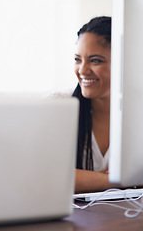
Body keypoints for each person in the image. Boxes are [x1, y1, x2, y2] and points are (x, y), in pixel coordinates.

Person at [52, 16, 114, 193]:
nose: (82, 70)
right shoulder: (58, 105)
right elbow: (48, 176)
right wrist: (117, 180)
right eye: (78, 59)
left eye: (95, 60)